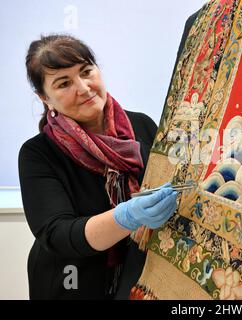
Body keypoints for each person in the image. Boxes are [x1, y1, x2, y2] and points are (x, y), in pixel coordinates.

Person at [18, 34, 178, 300]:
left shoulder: (142, 126)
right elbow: (57, 234)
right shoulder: (38, 153)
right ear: (44, 97)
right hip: (71, 283)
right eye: (63, 83)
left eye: (86, 71)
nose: (83, 88)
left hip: (138, 279)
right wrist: (125, 217)